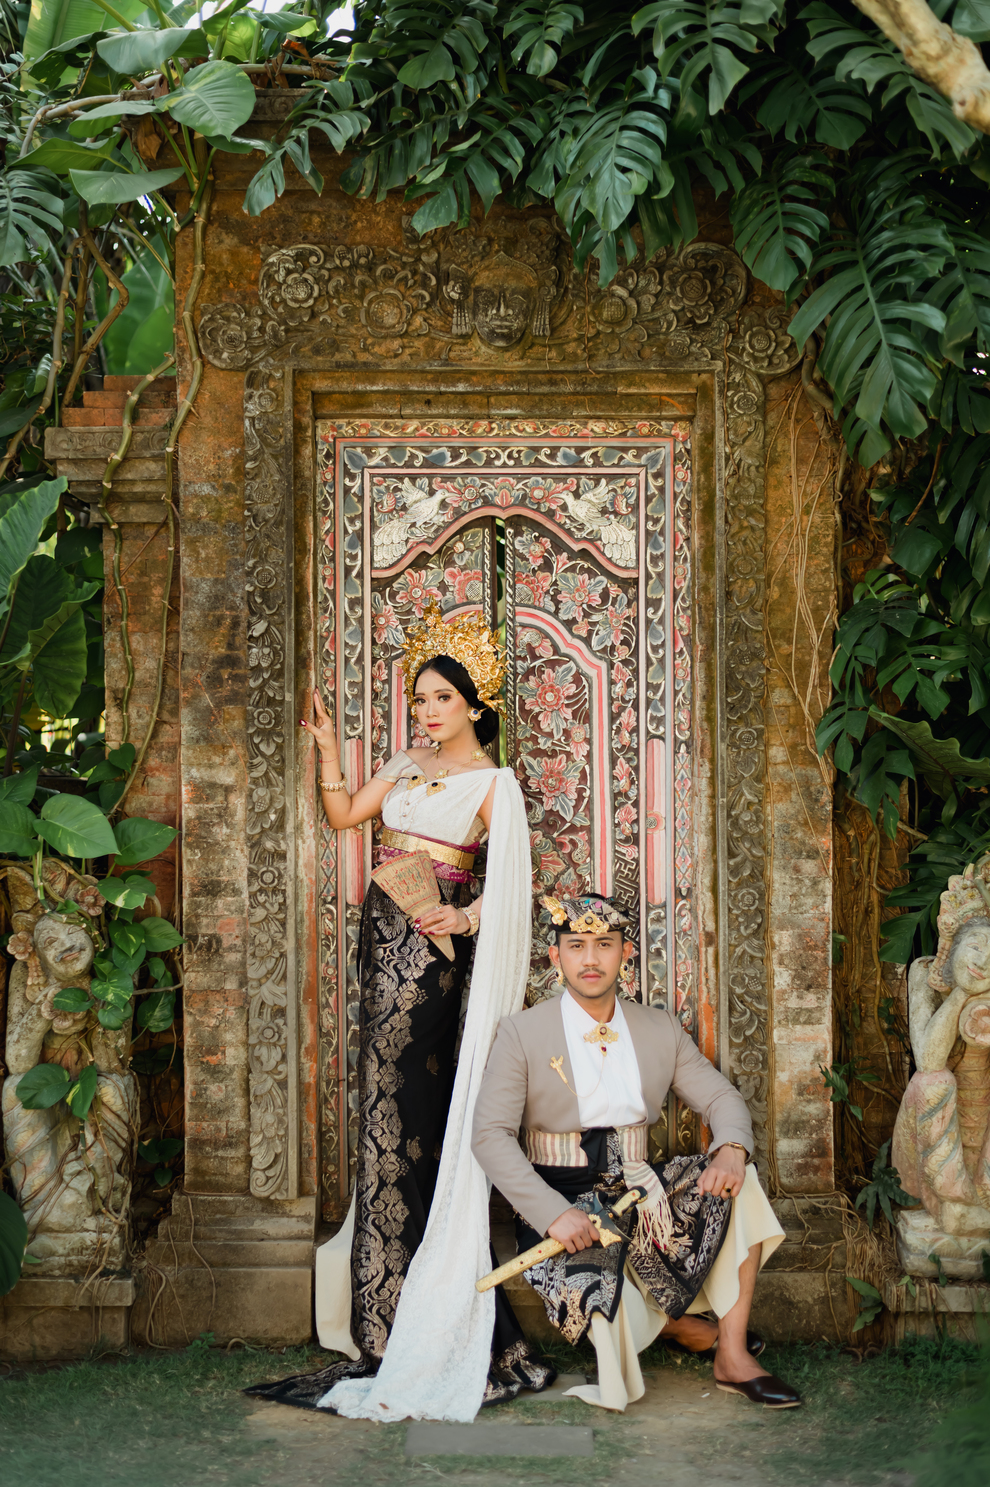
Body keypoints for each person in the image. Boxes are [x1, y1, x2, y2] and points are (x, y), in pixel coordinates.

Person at [247, 605, 552, 1418]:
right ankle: (388, 1314)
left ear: (476, 705)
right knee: (382, 1113)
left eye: (442, 697)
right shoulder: (408, 763)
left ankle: (420, 1317)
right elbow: (346, 816)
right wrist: (326, 748)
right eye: (420, 697)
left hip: (428, 965)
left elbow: (513, 888)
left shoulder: (493, 785)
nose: (428, 710)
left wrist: (466, 916)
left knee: (404, 1110)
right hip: (378, 949)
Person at [471, 894, 802, 1412]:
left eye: (604, 944)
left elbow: (720, 1098)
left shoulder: (659, 1028)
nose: (590, 959)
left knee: (741, 1185)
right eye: (576, 946)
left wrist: (732, 1149)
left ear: (625, 952)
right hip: (562, 1205)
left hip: (644, 1193)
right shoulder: (521, 1032)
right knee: (604, 1311)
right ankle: (682, 1326)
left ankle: (732, 1355)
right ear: (555, 956)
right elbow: (490, 1135)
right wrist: (551, 1213)